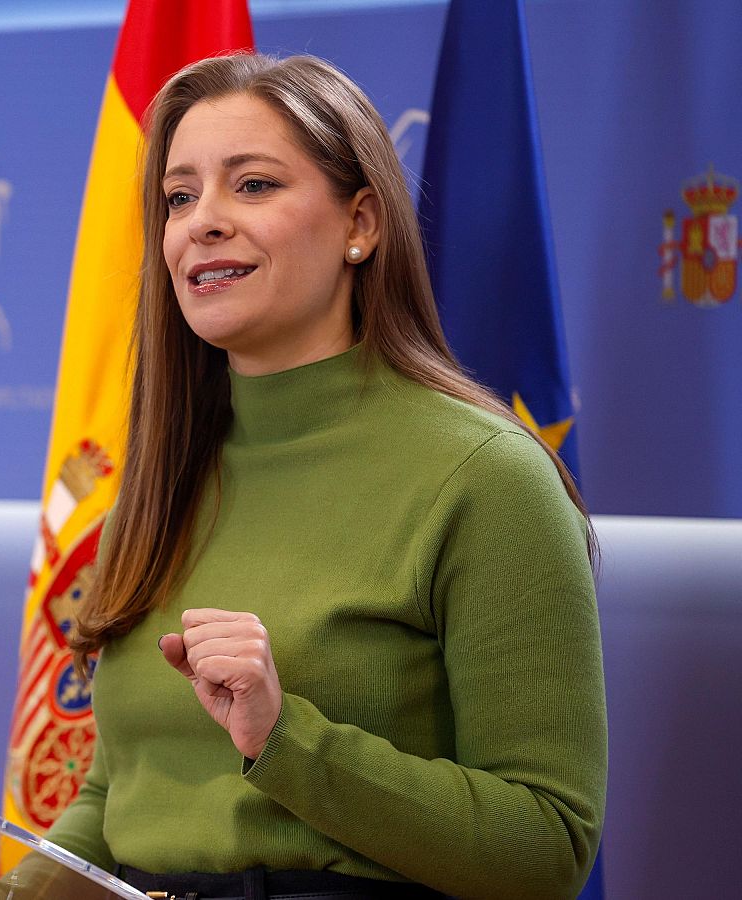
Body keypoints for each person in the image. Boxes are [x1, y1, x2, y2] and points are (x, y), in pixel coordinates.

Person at [39, 52, 607, 900]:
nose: (204, 222)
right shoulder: (159, 486)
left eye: (254, 185)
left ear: (362, 224)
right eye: (180, 197)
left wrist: (285, 740)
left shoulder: (487, 478)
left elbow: (548, 844)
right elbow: (117, 795)